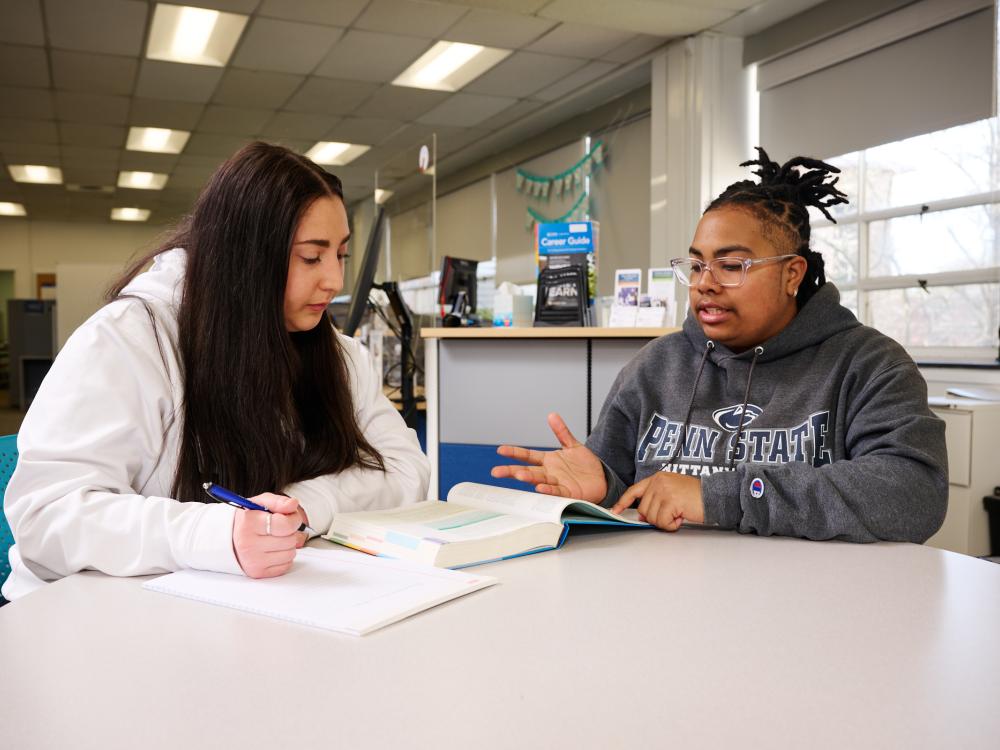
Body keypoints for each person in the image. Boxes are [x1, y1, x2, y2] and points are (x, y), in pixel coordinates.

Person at [2, 142, 430, 600]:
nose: (334, 280)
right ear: (248, 257)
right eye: (311, 257)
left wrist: (306, 504)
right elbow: (48, 515)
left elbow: (407, 470)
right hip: (91, 617)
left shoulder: (337, 354)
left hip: (252, 607)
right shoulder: (130, 339)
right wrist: (216, 534)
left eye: (340, 255)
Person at [493, 148, 947, 543]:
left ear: (793, 273)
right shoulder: (655, 367)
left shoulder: (867, 365)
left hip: (811, 611)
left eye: (731, 265)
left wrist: (720, 497)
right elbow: (625, 494)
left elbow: (912, 492)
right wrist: (604, 488)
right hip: (666, 605)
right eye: (695, 265)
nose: (705, 284)